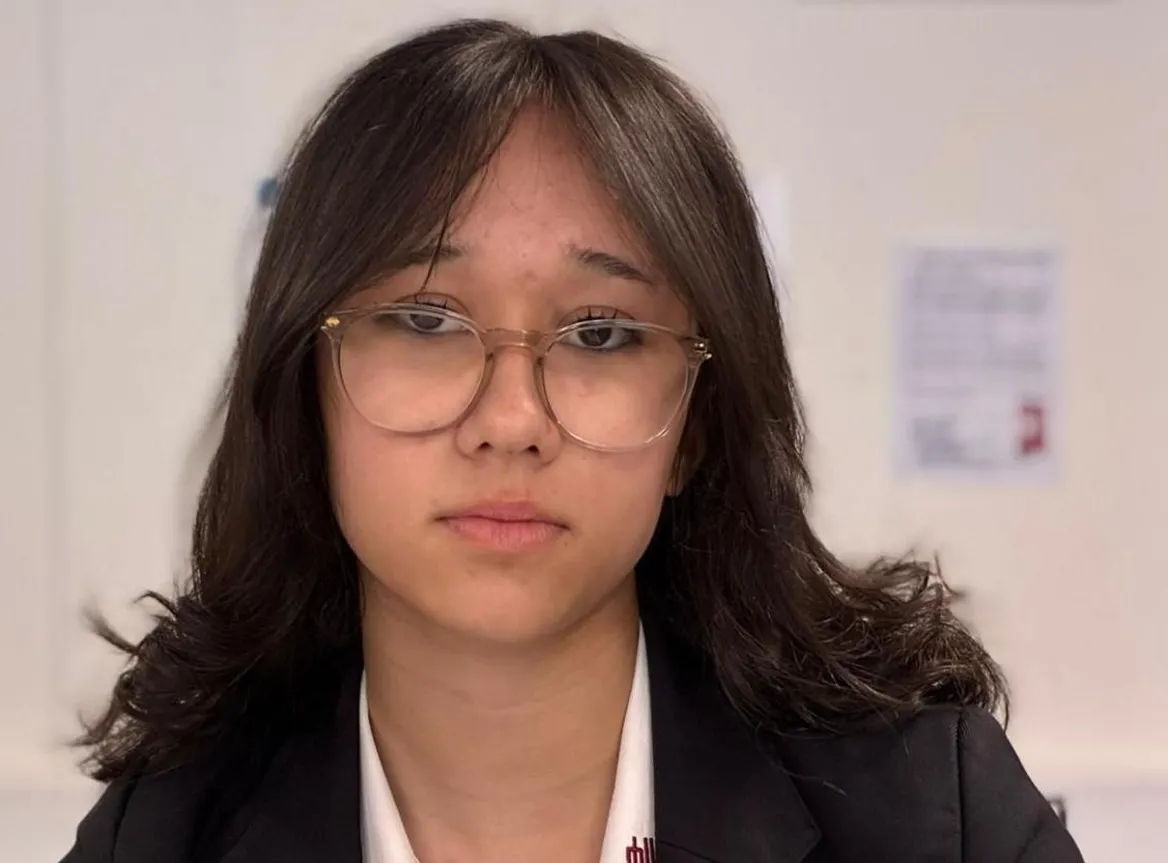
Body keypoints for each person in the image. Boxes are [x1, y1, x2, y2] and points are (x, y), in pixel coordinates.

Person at [60, 18, 1083, 863]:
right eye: (424, 319)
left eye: (601, 334)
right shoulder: (162, 836)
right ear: (305, 390)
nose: (512, 423)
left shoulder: (932, 816)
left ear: (695, 423)